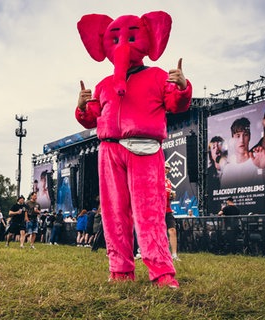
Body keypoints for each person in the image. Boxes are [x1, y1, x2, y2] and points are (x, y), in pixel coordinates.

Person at [75, 12, 191, 288]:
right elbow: (91, 117)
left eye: (130, 37)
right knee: (114, 213)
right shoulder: (103, 85)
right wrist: (81, 106)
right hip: (109, 152)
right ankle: (120, 269)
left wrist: (183, 87)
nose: (123, 44)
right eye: (116, 38)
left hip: (145, 149)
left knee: (149, 213)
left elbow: (176, 103)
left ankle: (162, 272)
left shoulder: (157, 76)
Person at [220, 117, 265, 188]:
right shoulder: (227, 170)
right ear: (232, 139)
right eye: (238, 136)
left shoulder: (259, 158)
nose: (242, 140)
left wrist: (263, 168)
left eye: (245, 135)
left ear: (249, 136)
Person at [165, 162, 180, 261]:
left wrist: (171, 196)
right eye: (165, 167)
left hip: (167, 209)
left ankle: (174, 255)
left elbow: (169, 194)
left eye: (168, 168)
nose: (167, 169)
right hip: (157, 210)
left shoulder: (168, 181)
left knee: (172, 231)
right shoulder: (155, 178)